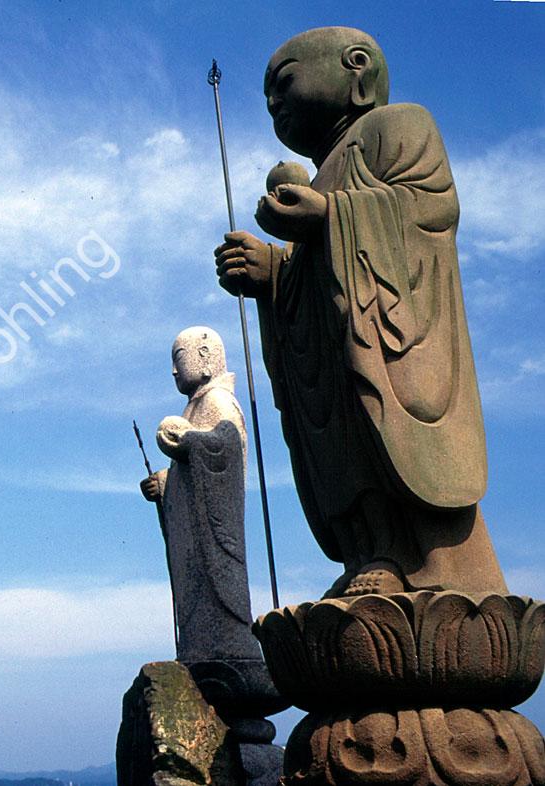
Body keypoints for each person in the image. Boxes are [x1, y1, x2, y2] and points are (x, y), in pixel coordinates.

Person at [213, 27, 507, 598]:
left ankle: (428, 561)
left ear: (356, 71)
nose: (273, 103)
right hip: (334, 349)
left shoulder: (397, 127)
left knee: (381, 413)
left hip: (387, 337)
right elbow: (311, 275)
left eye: (284, 81)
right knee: (344, 438)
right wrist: (272, 273)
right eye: (266, 98)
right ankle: (375, 548)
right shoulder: (322, 172)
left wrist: (330, 214)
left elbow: (429, 209)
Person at [140, 327, 261, 663]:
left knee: (215, 598)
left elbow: (225, 447)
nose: (174, 371)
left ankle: (228, 647)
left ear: (205, 356)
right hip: (192, 540)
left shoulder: (218, 400)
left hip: (216, 538)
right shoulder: (194, 407)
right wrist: (164, 484)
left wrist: (187, 440)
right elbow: (190, 474)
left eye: (179, 359)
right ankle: (198, 648)